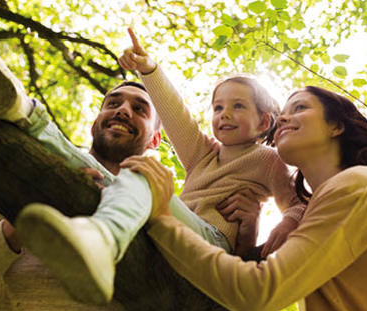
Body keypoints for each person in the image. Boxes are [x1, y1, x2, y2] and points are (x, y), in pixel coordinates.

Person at [125, 86, 367, 311]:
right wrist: (246, 242)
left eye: (299, 107)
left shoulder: (360, 185)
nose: (284, 117)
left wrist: (162, 217)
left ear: (336, 126)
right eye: (284, 111)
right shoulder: (322, 210)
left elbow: (258, 293)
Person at [0, 33, 241, 311]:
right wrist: (18, 229)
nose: (123, 111)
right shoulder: (22, 179)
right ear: (97, 120)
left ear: (155, 141)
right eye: (113, 103)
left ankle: (24, 110)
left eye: (140, 108)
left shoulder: (159, 211)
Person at [118, 28, 306, 257]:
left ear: (264, 122)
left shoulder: (267, 159)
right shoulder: (201, 153)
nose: (224, 114)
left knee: (146, 178)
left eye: (238, 106)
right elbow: (175, 113)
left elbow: (298, 202)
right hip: (172, 228)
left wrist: (287, 223)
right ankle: (101, 232)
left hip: (212, 238)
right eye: (218, 107)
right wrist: (148, 69)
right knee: (132, 179)